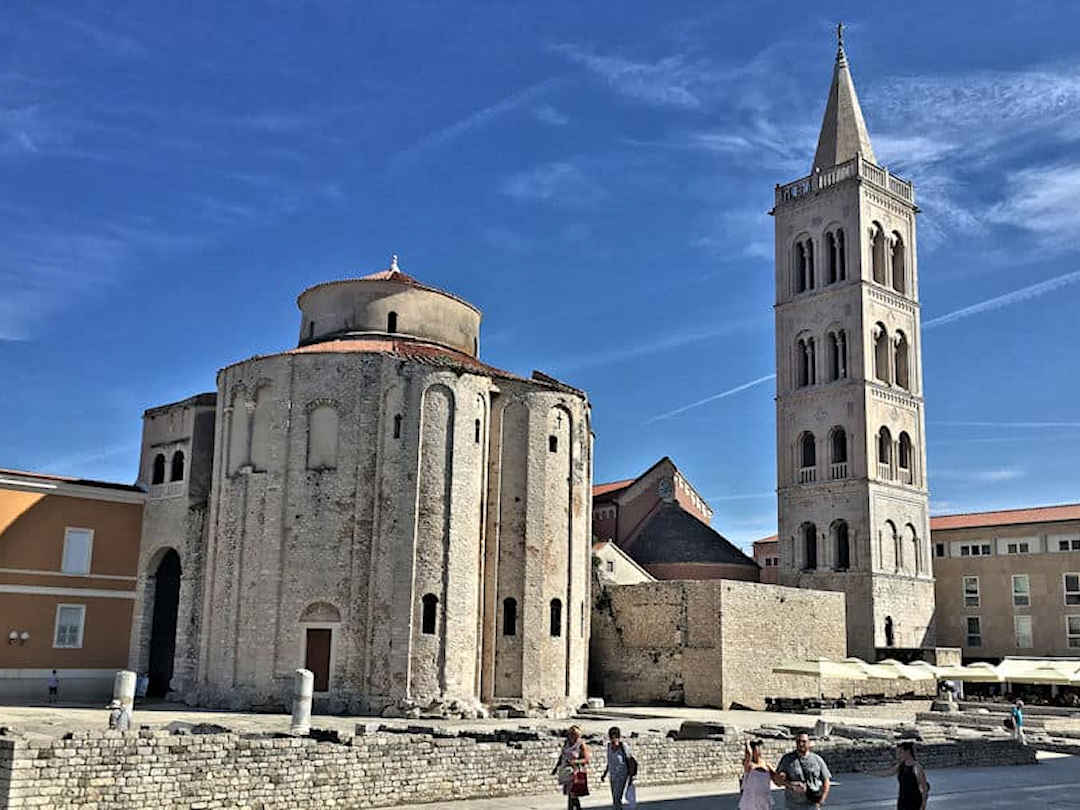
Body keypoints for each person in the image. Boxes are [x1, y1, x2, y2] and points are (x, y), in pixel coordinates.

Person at [865, 741, 929, 810]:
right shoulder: (901, 766)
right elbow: (887, 772)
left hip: (914, 802)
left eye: (900, 752)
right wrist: (869, 772)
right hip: (902, 801)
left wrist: (923, 805)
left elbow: (924, 788)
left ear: (907, 752)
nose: (898, 755)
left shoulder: (917, 767)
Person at [775, 733, 831, 808]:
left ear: (809, 743)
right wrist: (791, 785)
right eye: (798, 741)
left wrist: (822, 799)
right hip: (793, 805)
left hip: (812, 804)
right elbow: (777, 781)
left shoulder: (817, 759)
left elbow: (826, 780)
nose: (801, 744)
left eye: (803, 741)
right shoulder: (787, 759)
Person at [551, 724, 590, 810]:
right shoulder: (567, 742)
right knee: (570, 794)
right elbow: (562, 755)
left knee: (572, 794)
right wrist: (556, 767)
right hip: (566, 771)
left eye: (575, 735)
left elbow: (586, 759)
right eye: (571, 734)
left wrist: (574, 762)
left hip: (576, 772)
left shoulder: (581, 744)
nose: (573, 737)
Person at [600, 726, 633, 809]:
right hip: (613, 775)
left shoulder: (623, 746)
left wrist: (631, 777)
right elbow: (610, 762)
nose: (613, 739)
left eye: (615, 737)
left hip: (622, 775)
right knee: (615, 798)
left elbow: (629, 760)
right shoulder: (609, 747)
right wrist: (604, 774)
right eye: (611, 737)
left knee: (617, 798)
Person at [739, 739, 777, 810]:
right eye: (755, 748)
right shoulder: (749, 765)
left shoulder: (767, 765)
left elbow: (776, 778)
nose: (758, 750)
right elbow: (748, 754)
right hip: (750, 802)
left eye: (759, 747)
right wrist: (747, 743)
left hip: (764, 801)